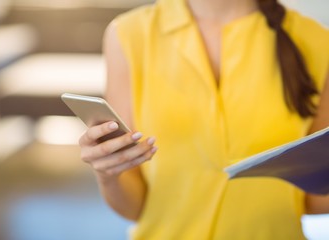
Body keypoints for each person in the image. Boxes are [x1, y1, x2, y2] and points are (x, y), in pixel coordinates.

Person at [79, 0, 329, 239]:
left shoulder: (317, 42)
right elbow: (136, 208)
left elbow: (313, 198)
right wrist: (108, 175)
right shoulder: (128, 34)